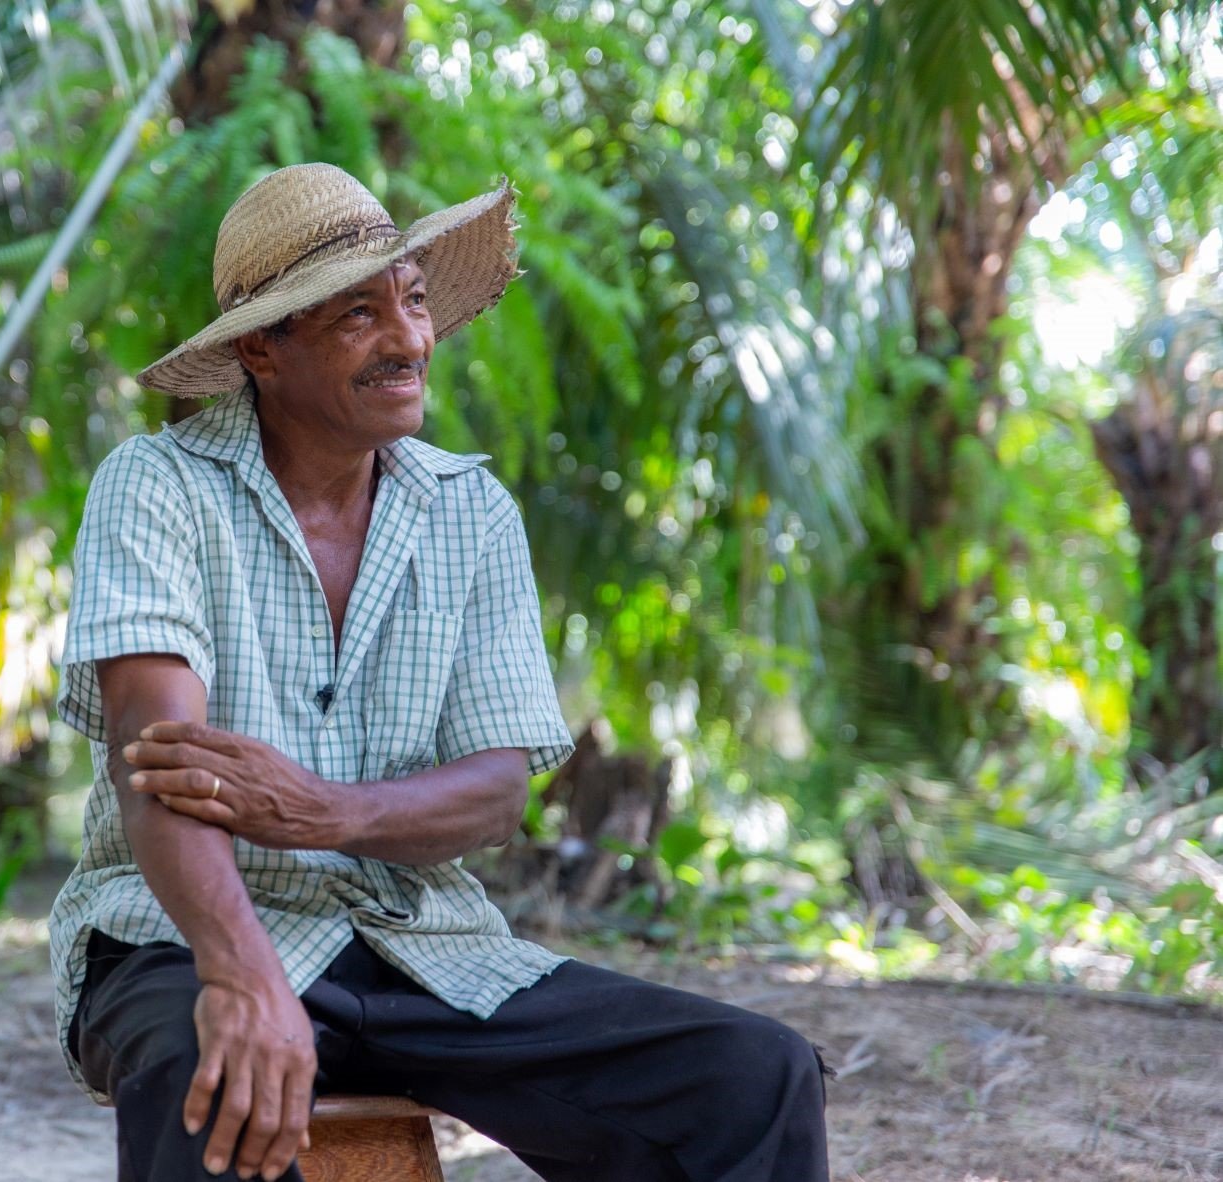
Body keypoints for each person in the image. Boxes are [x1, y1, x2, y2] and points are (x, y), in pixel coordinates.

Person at [47, 163, 830, 1182]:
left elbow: (498, 793)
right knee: (212, 1070)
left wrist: (325, 811)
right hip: (183, 935)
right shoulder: (158, 487)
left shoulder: (471, 513)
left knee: (752, 1079)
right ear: (260, 348)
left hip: (426, 946)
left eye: (413, 301)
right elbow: (161, 772)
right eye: (358, 315)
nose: (410, 340)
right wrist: (239, 973)